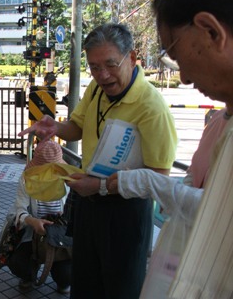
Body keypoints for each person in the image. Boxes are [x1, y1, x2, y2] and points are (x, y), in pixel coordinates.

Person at [103, 0, 233, 297]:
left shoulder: (152, 105)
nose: (184, 76)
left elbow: (217, 211)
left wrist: (147, 182)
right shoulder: (222, 120)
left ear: (210, 31)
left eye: (172, 51)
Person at [18, 23, 178, 298]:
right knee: (86, 284)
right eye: (94, 67)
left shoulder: (151, 108)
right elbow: (78, 126)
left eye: (111, 64)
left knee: (120, 289)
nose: (102, 75)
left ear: (132, 57)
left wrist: (102, 187)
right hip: (88, 204)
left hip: (126, 212)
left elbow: (159, 177)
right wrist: (56, 128)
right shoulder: (96, 88)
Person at [6, 140, 71, 294]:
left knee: (66, 274)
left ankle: (64, 278)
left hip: (60, 237)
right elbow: (16, 211)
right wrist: (32, 221)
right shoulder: (27, 178)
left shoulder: (68, 180)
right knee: (18, 263)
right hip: (32, 234)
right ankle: (28, 275)